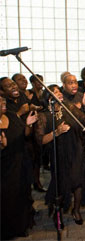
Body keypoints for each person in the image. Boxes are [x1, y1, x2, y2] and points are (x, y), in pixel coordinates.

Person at [35, 85, 85, 226]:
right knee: (61, 184)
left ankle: (76, 210)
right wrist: (56, 132)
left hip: (76, 150)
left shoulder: (69, 108)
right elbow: (40, 140)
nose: (60, 94)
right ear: (49, 98)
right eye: (56, 92)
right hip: (58, 154)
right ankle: (58, 213)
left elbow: (84, 117)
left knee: (78, 182)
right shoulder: (44, 116)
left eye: (59, 91)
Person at [0, 90, 38, 239]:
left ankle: (22, 225)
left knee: (21, 194)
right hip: (4, 168)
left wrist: (28, 125)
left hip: (20, 162)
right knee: (7, 198)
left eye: (4, 102)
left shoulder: (11, 115)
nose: (3, 104)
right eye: (0, 102)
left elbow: (25, 134)